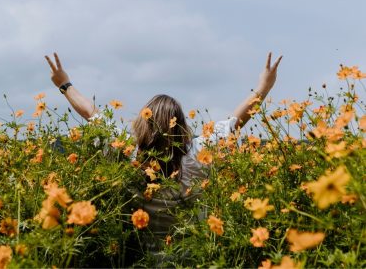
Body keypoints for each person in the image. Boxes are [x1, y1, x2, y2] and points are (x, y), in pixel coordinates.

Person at [44, 51, 282, 248]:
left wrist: (64, 84)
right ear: (181, 125)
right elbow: (236, 121)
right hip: (193, 257)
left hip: (142, 258)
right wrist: (264, 86)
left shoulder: (126, 151)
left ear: (142, 121)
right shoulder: (199, 154)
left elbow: (90, 113)